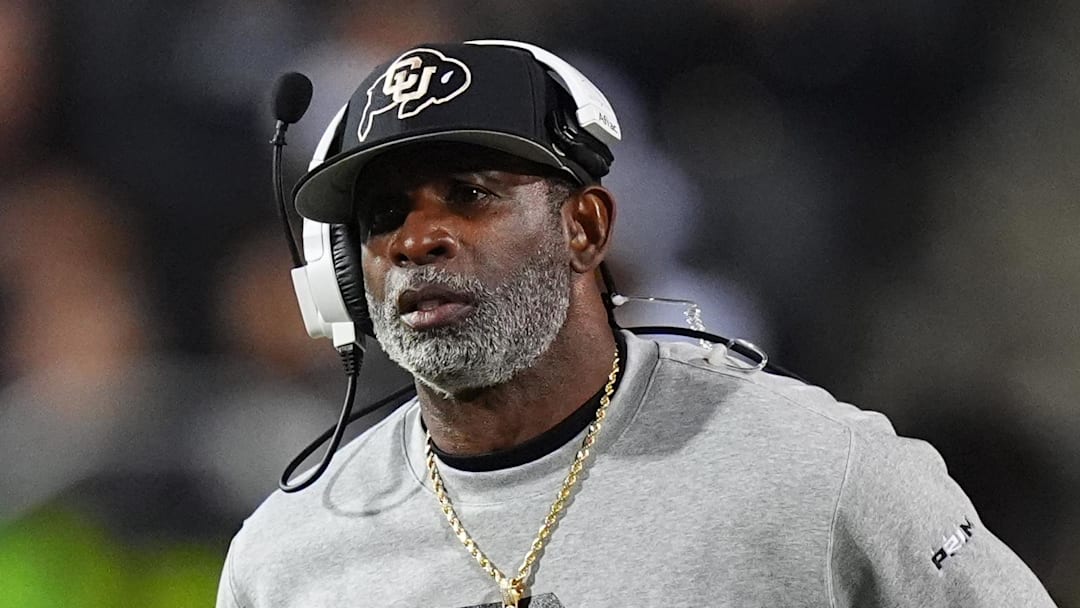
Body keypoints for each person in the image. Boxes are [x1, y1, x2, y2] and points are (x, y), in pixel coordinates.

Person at [217, 41, 1057, 608]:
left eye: (469, 194)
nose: (415, 239)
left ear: (584, 229)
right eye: (384, 214)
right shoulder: (288, 555)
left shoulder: (823, 470)